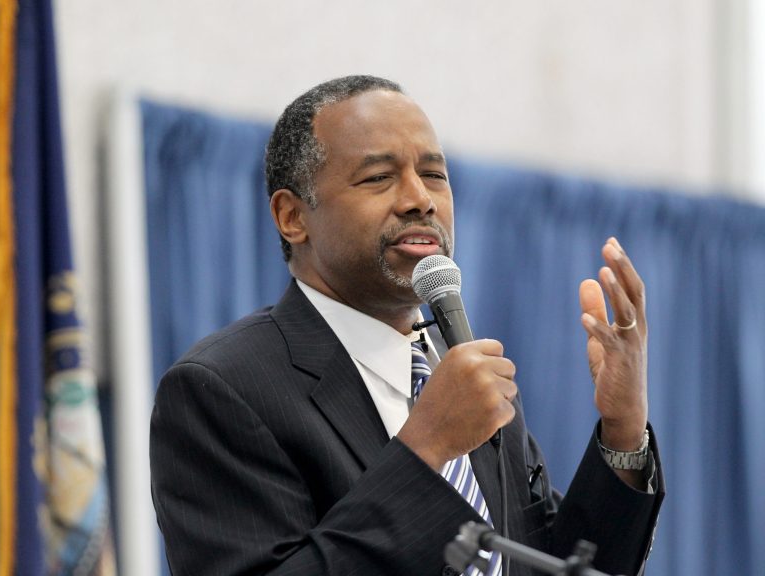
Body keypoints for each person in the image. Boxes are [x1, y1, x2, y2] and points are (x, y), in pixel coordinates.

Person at [150, 75, 664, 576]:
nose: (421, 199)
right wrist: (426, 449)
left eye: (435, 175)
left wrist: (623, 429)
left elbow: (553, 563)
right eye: (378, 177)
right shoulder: (222, 388)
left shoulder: (466, 373)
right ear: (292, 217)